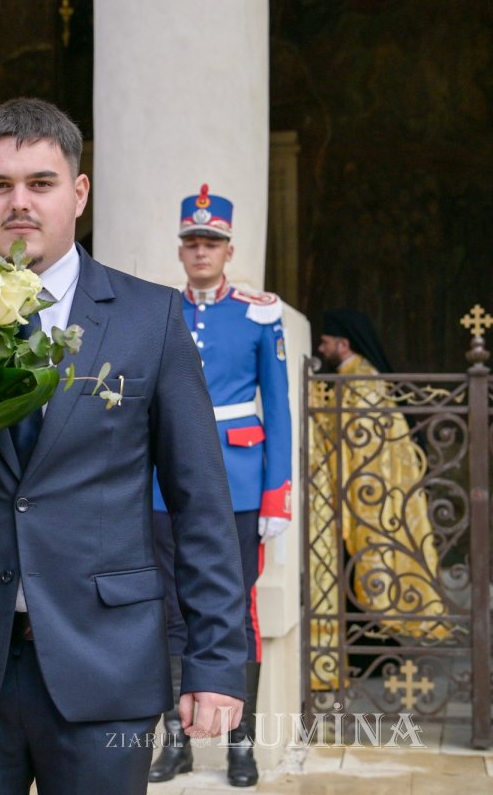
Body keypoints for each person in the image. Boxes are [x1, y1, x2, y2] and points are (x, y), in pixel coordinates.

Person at [0, 97, 247, 795]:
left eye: (41, 183)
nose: (20, 203)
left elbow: (201, 503)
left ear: (79, 193)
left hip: (106, 664)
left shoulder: (150, 318)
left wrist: (216, 661)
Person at [148, 185, 292, 787]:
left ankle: (241, 745)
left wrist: (277, 494)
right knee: (167, 610)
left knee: (236, 611)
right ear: (181, 249)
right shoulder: (160, 312)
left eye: (211, 242)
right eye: (192, 241)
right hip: (163, 487)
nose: (201, 250)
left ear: (229, 250)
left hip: (238, 485)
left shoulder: (258, 314)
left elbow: (277, 408)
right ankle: (176, 742)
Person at [309, 309, 450, 691]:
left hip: (369, 497)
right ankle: (363, 652)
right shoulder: (352, 377)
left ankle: (372, 653)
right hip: (361, 493)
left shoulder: (362, 382)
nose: (321, 348)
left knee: (369, 570)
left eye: (325, 341)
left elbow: (361, 446)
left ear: (343, 343)